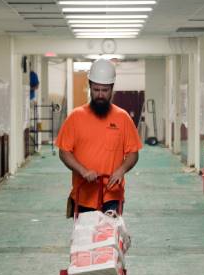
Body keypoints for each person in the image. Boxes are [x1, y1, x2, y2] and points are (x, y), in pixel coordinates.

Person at [56, 58, 142, 216]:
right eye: (96, 90)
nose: (100, 95)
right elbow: (64, 151)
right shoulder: (76, 117)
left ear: (112, 89)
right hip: (83, 195)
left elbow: (133, 153)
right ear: (89, 86)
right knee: (86, 237)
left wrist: (121, 170)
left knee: (108, 237)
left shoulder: (123, 119)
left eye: (105, 90)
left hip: (112, 194)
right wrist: (83, 171)